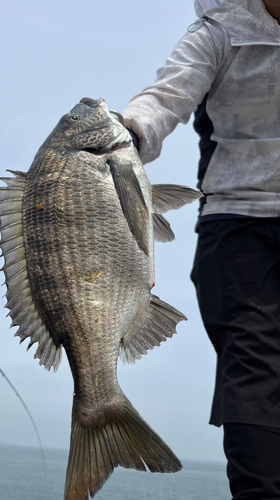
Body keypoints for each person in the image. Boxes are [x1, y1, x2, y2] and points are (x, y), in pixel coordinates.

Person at [123, 1, 280, 499]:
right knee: (256, 377)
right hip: (239, 226)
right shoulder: (219, 32)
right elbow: (166, 94)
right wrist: (125, 135)